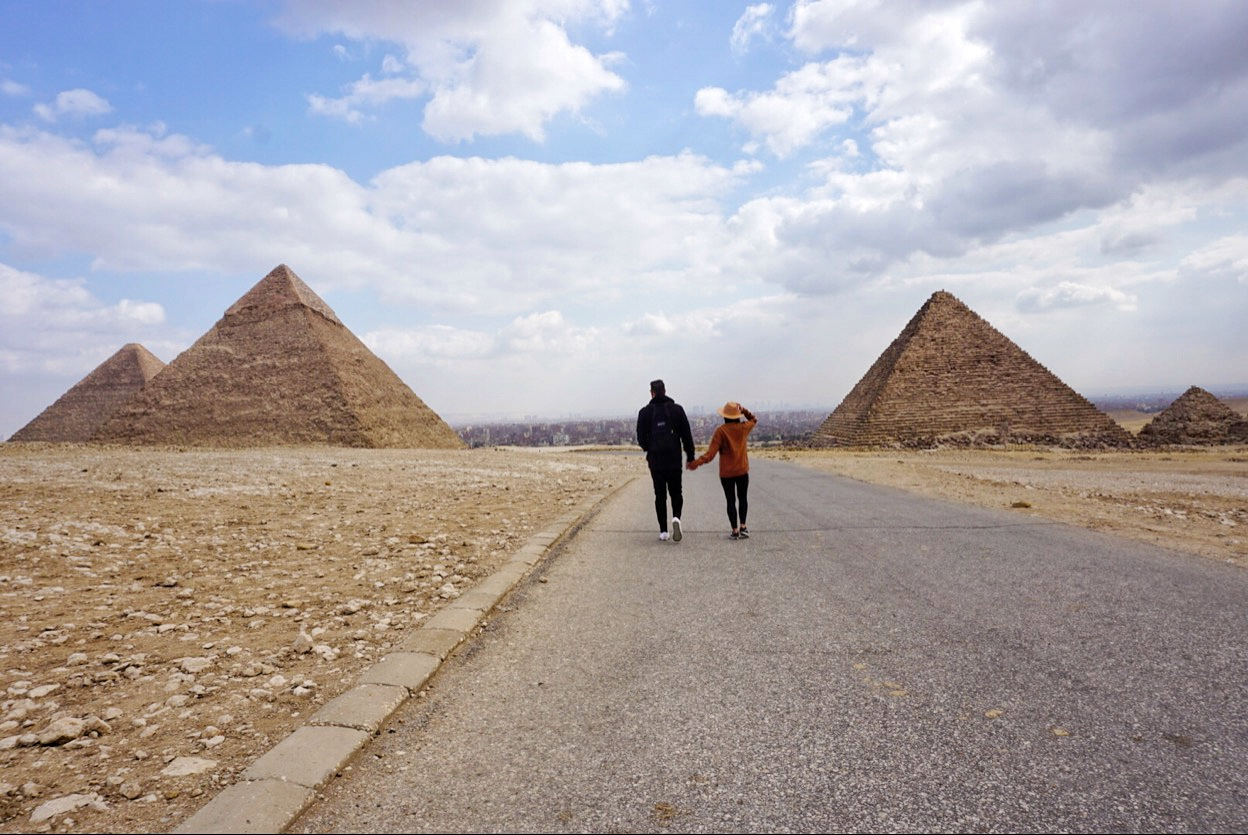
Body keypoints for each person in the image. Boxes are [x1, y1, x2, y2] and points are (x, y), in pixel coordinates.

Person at [636, 379, 695, 541]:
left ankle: (663, 531)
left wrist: (650, 449)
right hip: (674, 457)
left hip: (656, 460)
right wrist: (690, 456)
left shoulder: (645, 412)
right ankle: (676, 517)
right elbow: (686, 435)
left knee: (660, 494)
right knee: (676, 491)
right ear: (665, 391)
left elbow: (640, 438)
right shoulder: (677, 410)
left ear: (651, 393)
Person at [688, 401, 757, 539]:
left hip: (727, 473)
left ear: (724, 416)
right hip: (742, 470)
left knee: (730, 500)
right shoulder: (743, 428)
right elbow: (753, 419)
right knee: (742, 498)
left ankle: (735, 530)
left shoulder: (721, 431)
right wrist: (744, 410)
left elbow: (710, 455)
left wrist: (697, 462)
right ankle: (744, 527)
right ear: (737, 415)